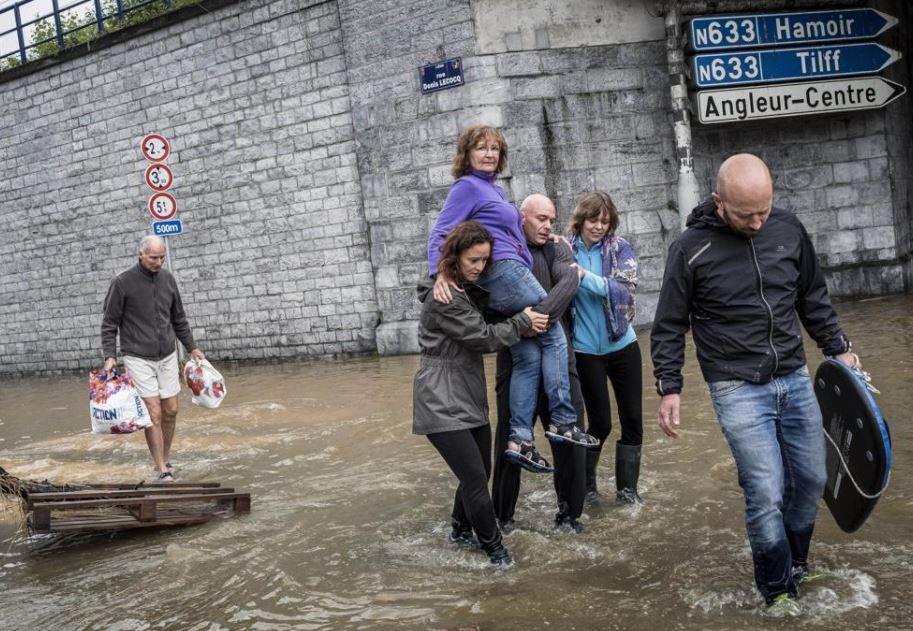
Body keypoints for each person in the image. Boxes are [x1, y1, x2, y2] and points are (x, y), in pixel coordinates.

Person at [650, 153, 858, 615]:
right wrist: (669, 386)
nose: (758, 223)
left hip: (794, 375)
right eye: (746, 215)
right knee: (765, 490)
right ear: (718, 201)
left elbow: (812, 297)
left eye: (764, 210)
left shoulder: (788, 229)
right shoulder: (690, 248)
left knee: (812, 478)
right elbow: (669, 324)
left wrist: (838, 348)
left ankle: (796, 564)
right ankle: (777, 590)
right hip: (736, 386)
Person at [427, 125, 597, 473]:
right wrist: (439, 273)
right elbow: (441, 232)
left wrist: (551, 237)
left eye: (495, 149)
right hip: (504, 271)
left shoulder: (494, 189)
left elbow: (512, 231)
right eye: (481, 148)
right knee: (554, 335)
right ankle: (564, 422)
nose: (489, 154)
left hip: (504, 275)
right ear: (467, 154)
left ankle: (519, 440)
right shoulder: (466, 187)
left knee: (528, 359)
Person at [413, 221, 549, 569]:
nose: (479, 267)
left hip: (467, 393)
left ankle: (460, 530)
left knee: (479, 471)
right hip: (439, 398)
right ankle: (498, 554)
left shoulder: (460, 287)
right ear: (455, 257)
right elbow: (483, 338)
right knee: (474, 478)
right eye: (473, 260)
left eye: (485, 260)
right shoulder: (445, 297)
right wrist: (522, 322)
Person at [491, 194, 588, 533]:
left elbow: (569, 282)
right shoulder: (502, 252)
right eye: (541, 219)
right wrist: (521, 325)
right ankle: (502, 519)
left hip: (561, 360)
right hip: (516, 362)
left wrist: (533, 320)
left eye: (552, 220)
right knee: (510, 441)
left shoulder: (557, 248)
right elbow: (490, 306)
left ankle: (569, 517)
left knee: (570, 440)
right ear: (521, 217)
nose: (548, 226)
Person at [101, 235, 205, 482]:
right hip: (137, 356)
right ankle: (161, 468)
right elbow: (109, 324)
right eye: (153, 258)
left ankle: (165, 458)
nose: (158, 262)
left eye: (161, 258)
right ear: (141, 255)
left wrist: (192, 347)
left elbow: (179, 318)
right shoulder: (122, 282)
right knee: (153, 412)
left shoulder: (168, 279)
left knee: (171, 410)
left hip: (167, 354)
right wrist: (110, 356)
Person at [567, 192, 644, 504]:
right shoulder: (564, 250)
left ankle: (628, 492)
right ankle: (586, 489)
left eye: (605, 221)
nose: (598, 227)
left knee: (633, 420)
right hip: (586, 352)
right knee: (600, 422)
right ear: (581, 220)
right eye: (593, 220)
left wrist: (583, 276)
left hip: (623, 346)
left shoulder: (619, 248)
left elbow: (624, 291)